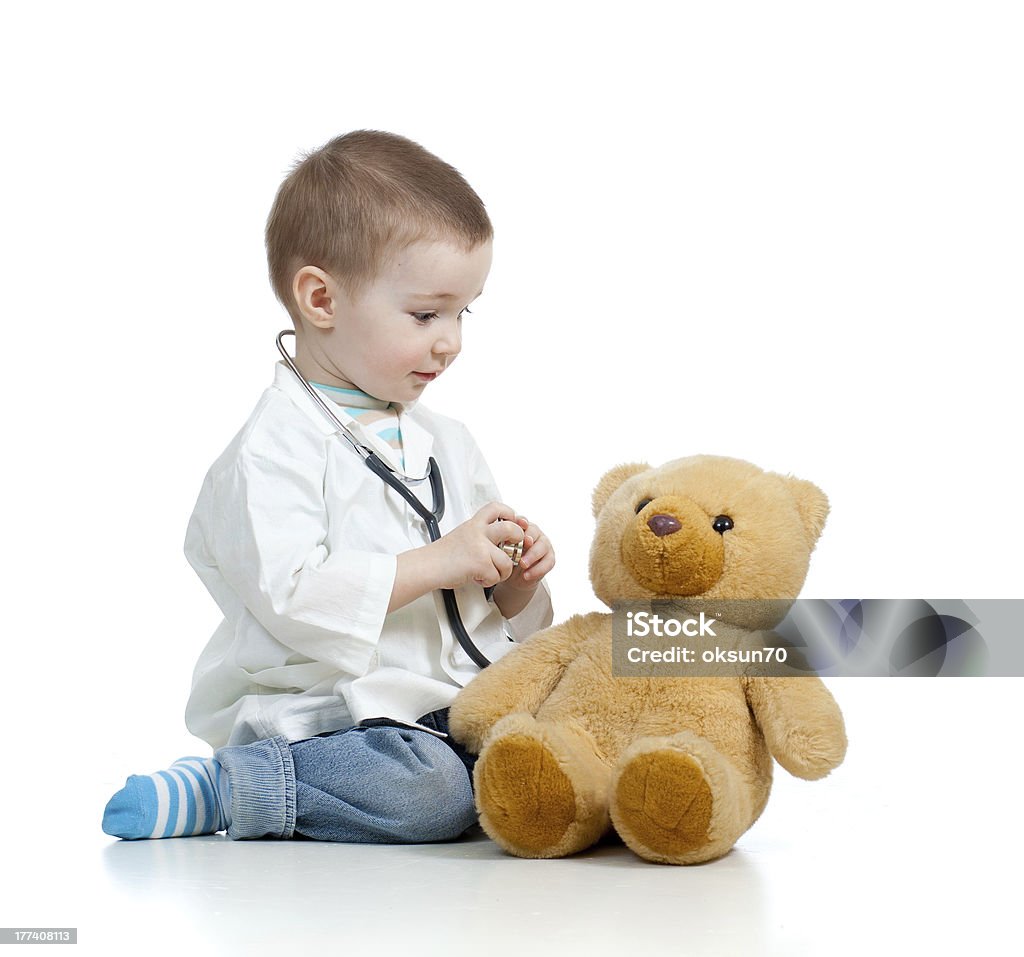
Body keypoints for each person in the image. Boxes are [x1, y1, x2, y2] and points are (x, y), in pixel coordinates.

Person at [102, 130, 555, 844]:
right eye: (426, 314)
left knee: (556, 731)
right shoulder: (270, 451)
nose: (452, 341)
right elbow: (294, 596)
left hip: (450, 705)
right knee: (429, 792)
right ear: (320, 298)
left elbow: (484, 615)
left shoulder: (449, 443)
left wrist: (517, 588)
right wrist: (438, 560)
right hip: (334, 718)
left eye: (463, 312)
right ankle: (237, 784)